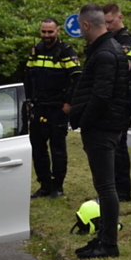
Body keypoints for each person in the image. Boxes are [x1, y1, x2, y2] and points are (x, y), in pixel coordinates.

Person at [68, 3, 129, 259]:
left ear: (85, 25)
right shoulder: (109, 49)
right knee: (104, 185)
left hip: (102, 127)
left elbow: (101, 95)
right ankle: (103, 238)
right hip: (107, 125)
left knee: (105, 187)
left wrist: (83, 119)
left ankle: (108, 243)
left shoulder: (104, 53)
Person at [24, 18, 81, 199]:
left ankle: (58, 186)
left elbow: (77, 78)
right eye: (43, 32)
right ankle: (44, 185)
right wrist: (28, 101)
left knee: (57, 148)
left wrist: (69, 103)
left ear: (57, 31)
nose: (46, 36)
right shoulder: (36, 51)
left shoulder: (66, 52)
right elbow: (28, 78)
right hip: (39, 107)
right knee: (38, 148)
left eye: (50, 32)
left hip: (57, 108)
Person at [103, 2, 131, 202]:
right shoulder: (110, 38)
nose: (107, 26)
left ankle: (123, 189)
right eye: (104, 22)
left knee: (119, 143)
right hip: (115, 96)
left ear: (120, 17)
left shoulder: (126, 39)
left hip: (123, 96)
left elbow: (125, 66)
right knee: (112, 143)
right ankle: (114, 187)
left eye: (110, 21)